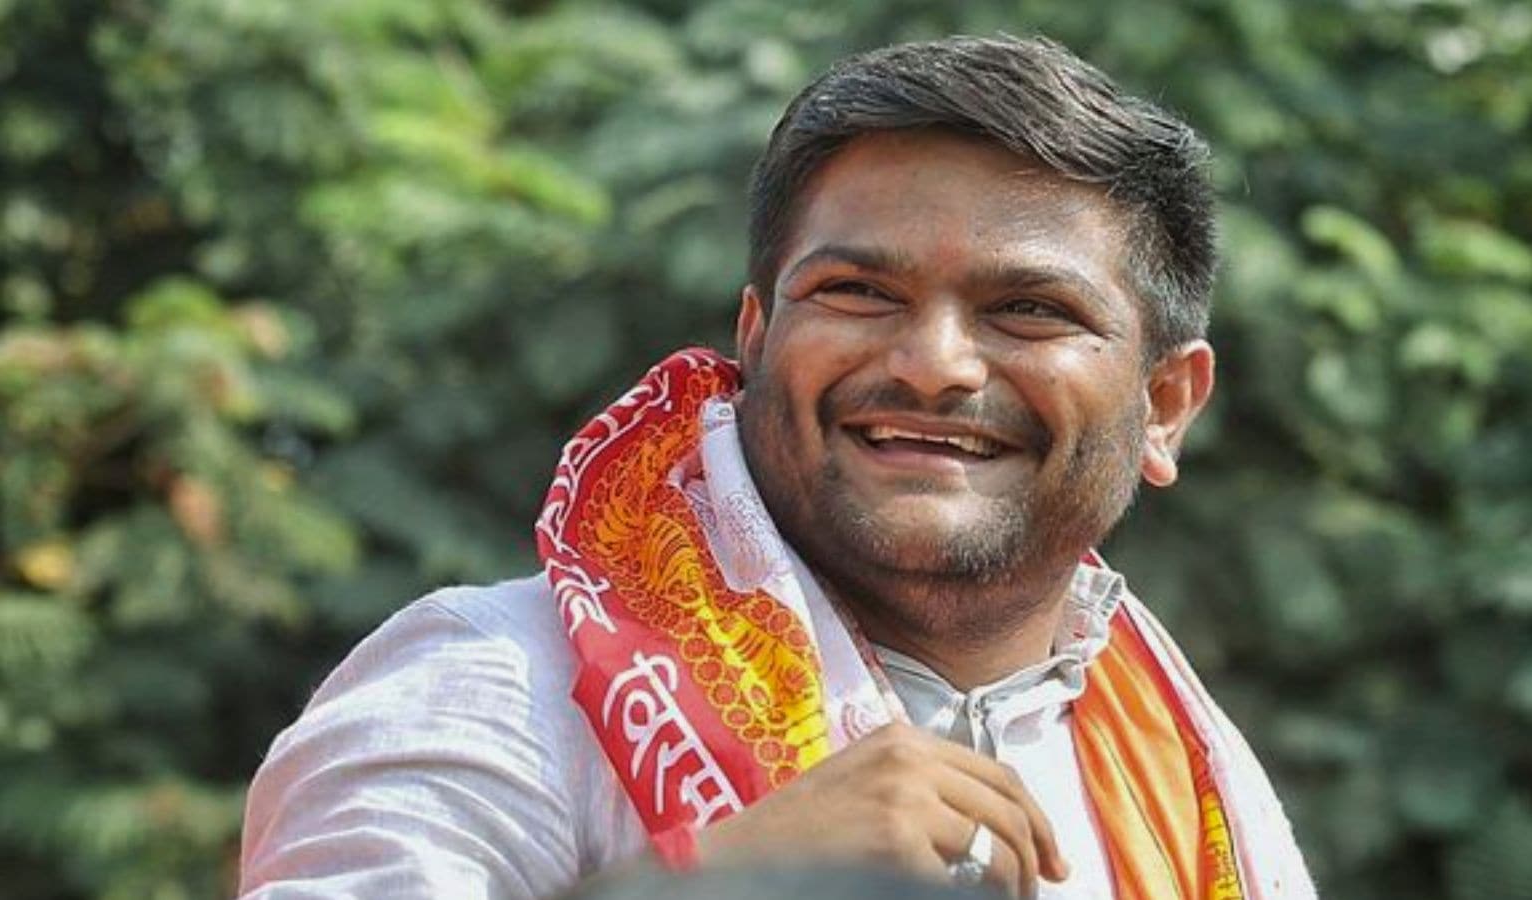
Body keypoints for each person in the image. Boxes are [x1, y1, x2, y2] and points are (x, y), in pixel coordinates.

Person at [238, 35, 1316, 899]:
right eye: (859, 293)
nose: (932, 364)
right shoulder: (499, 686)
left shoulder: (1197, 787)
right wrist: (714, 884)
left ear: (1164, 406)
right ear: (753, 342)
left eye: (1029, 309)